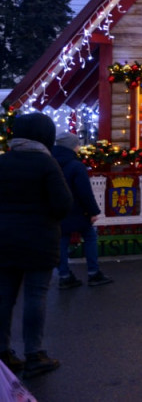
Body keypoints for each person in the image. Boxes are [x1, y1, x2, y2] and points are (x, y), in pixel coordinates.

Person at [0, 113, 72, 379]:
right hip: (39, 240)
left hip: (4, 239)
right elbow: (63, 203)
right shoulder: (46, 164)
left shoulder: (3, 162)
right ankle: (34, 354)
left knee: (4, 296)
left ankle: (3, 352)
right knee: (35, 296)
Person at [53, 132, 113, 290]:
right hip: (78, 211)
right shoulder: (76, 165)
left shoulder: (50, 163)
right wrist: (93, 211)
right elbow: (84, 191)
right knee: (90, 236)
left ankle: (64, 275)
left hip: (59, 210)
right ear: (72, 146)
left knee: (62, 241)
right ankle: (93, 273)